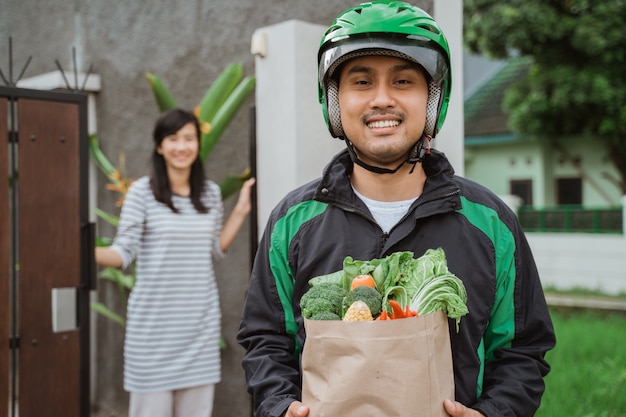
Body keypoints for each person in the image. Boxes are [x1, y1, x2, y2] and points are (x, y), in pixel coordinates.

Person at [237, 2, 555, 417]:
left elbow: (523, 350)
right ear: (335, 102)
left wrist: (493, 413)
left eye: (403, 81)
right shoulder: (292, 221)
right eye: (362, 81)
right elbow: (265, 340)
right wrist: (279, 406)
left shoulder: (490, 222)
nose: (382, 99)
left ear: (432, 98)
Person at [95, 108, 255, 417]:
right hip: (152, 331)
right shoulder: (141, 192)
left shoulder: (208, 194)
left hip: (199, 327)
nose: (181, 147)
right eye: (173, 139)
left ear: (197, 144)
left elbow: (214, 249)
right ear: (159, 146)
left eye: (188, 138)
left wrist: (241, 210)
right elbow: (122, 253)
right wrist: (80, 250)